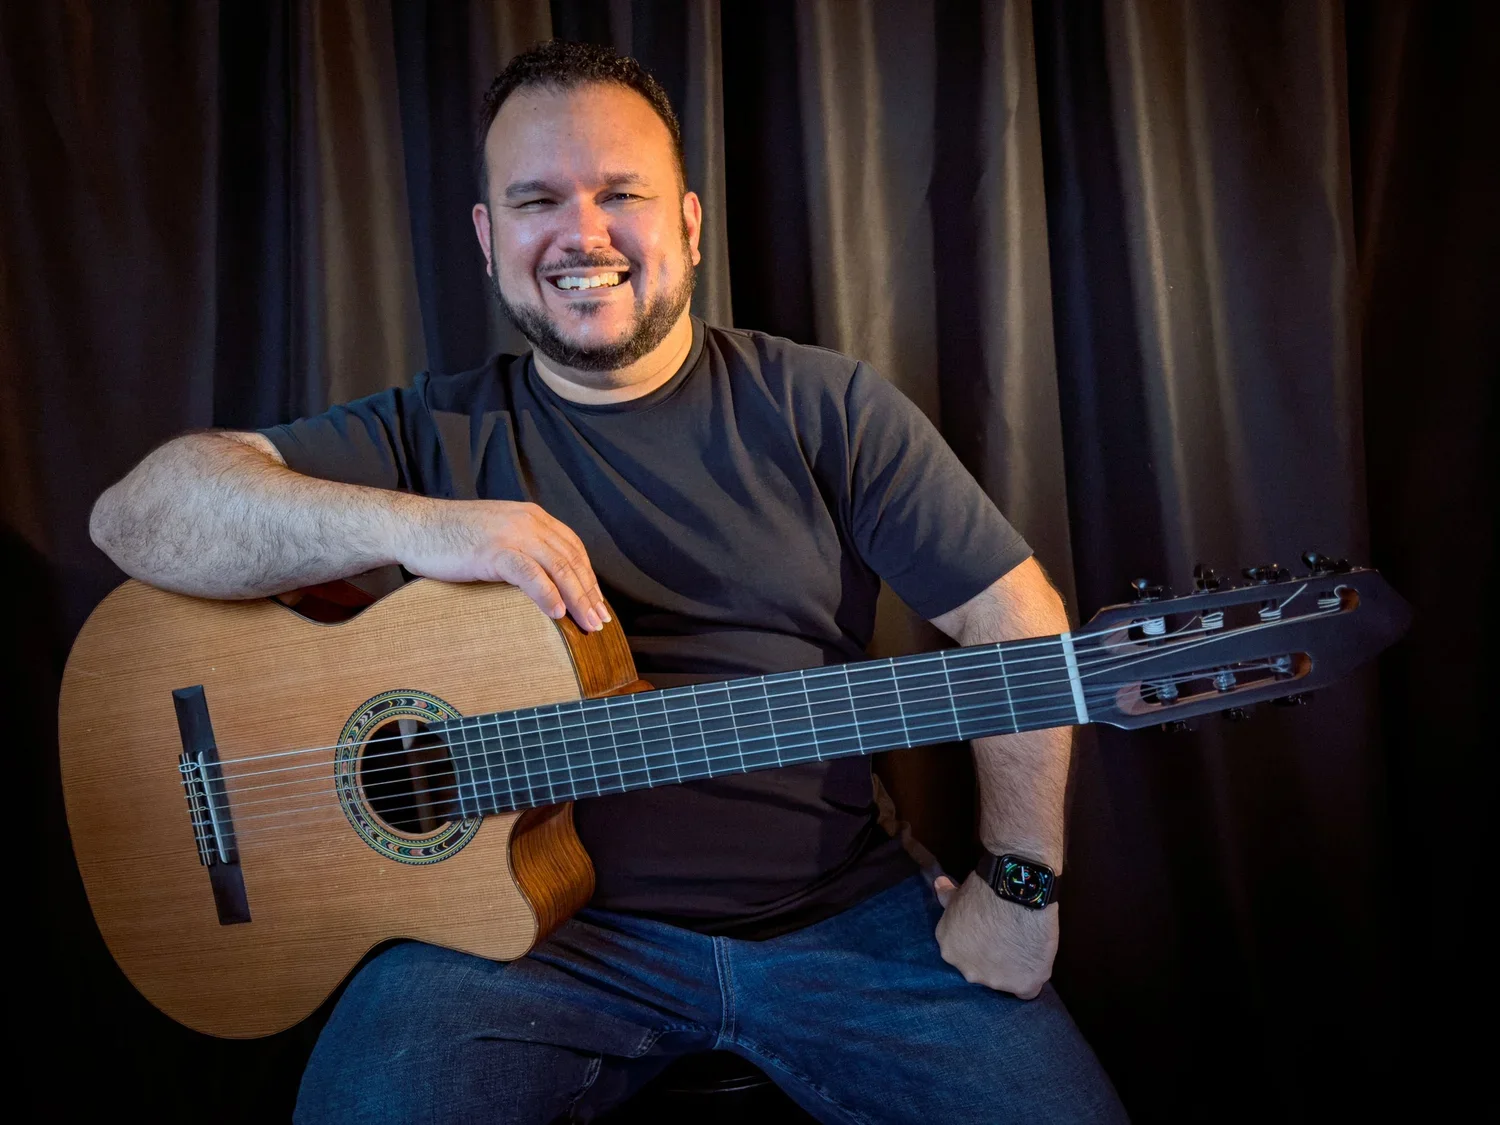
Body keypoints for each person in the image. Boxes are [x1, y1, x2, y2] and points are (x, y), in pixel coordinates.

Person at [89, 40, 1125, 1125]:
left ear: (686, 219)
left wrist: (1019, 886)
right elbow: (139, 515)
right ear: (489, 241)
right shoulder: (429, 430)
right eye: (537, 201)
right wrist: (426, 527)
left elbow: (1015, 620)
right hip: (524, 943)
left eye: (618, 193)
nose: (581, 234)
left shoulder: (826, 408)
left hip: (845, 924)